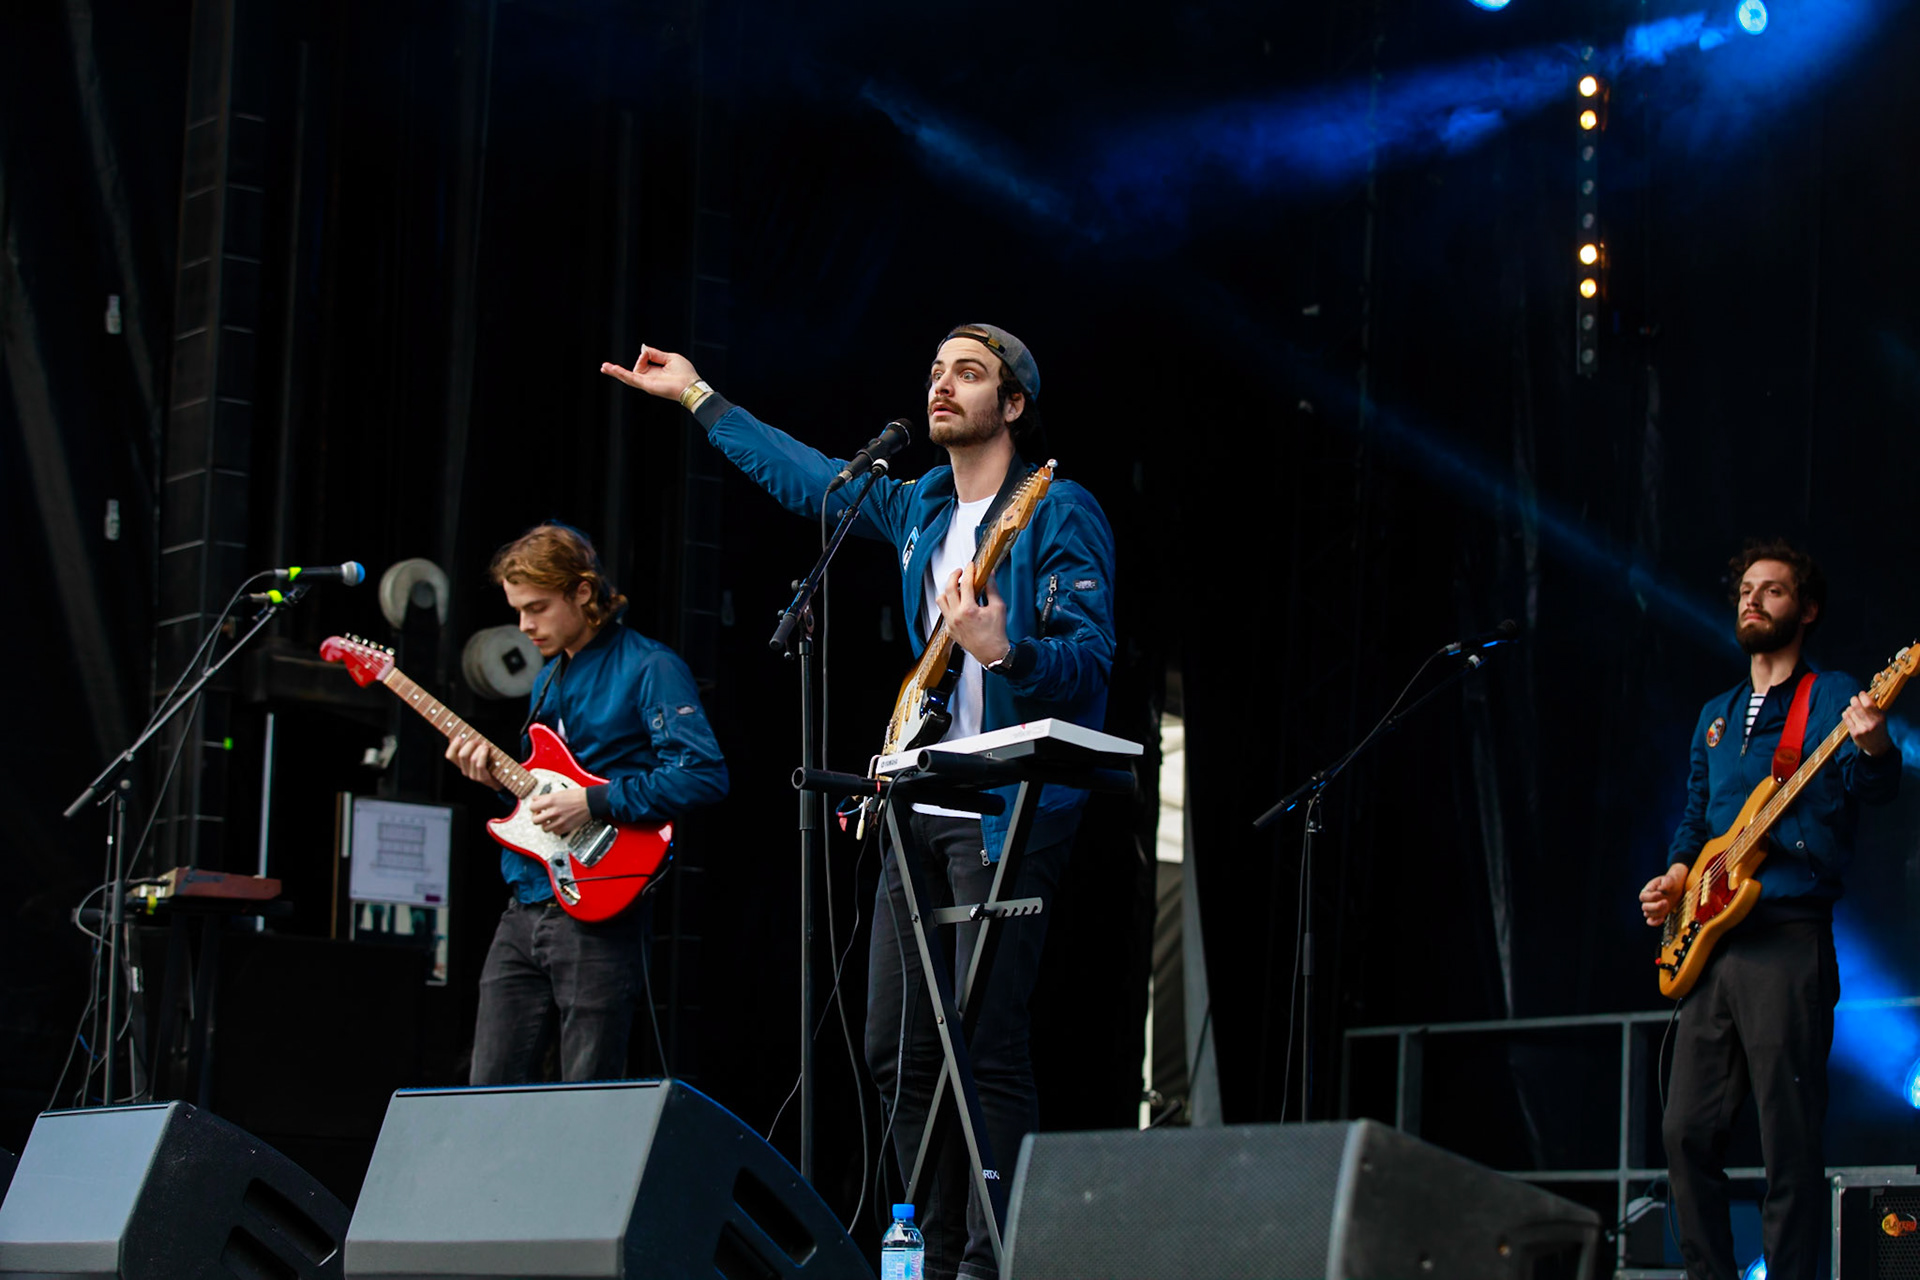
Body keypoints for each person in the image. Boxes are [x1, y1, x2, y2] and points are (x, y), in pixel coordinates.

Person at [603, 324, 1115, 1280]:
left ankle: (992, 1260)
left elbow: (1089, 665)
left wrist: (1008, 650)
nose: (942, 386)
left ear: (1011, 406)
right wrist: (698, 397)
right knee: (894, 1047)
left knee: (984, 1048)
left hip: (1009, 812)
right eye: (934, 370)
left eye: (969, 374)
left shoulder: (1057, 509)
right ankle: (918, 1255)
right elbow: (809, 478)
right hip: (918, 809)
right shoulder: (919, 500)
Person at [1641, 539, 1899, 1280]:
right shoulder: (1714, 717)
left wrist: (1875, 744)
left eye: (1774, 591)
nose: (1753, 600)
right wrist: (1675, 880)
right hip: (1709, 944)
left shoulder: (1832, 696)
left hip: (1787, 940)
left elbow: (1874, 788)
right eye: (1747, 590)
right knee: (1685, 1132)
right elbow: (1696, 817)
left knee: (1788, 1140)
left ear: (1806, 609)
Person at [447, 523, 728, 1085]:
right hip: (526, 899)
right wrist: (496, 781)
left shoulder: (650, 666)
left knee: (587, 1093)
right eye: (518, 610)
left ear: (582, 592)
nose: (525, 626)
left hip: (602, 906)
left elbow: (704, 775)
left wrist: (594, 803)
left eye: (537, 608)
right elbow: (544, 792)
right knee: (485, 1091)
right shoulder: (547, 678)